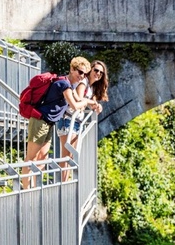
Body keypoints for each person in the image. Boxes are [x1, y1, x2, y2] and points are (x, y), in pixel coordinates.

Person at [21, 57, 102, 189]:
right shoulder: (64, 84)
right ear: (72, 69)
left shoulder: (69, 85)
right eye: (80, 72)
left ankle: (36, 189)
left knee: (42, 158)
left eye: (84, 74)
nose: (82, 77)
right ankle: (26, 191)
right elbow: (76, 105)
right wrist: (87, 102)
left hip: (48, 123)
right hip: (39, 121)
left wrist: (94, 103)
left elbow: (79, 100)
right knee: (31, 158)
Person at [56, 60, 109, 180]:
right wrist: (91, 102)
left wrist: (95, 104)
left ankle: (64, 185)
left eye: (101, 72)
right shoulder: (83, 83)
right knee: (66, 157)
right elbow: (80, 100)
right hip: (68, 120)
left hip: (75, 122)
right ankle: (62, 186)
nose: (98, 73)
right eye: (96, 70)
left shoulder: (89, 86)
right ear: (90, 71)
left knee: (70, 157)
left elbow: (88, 100)